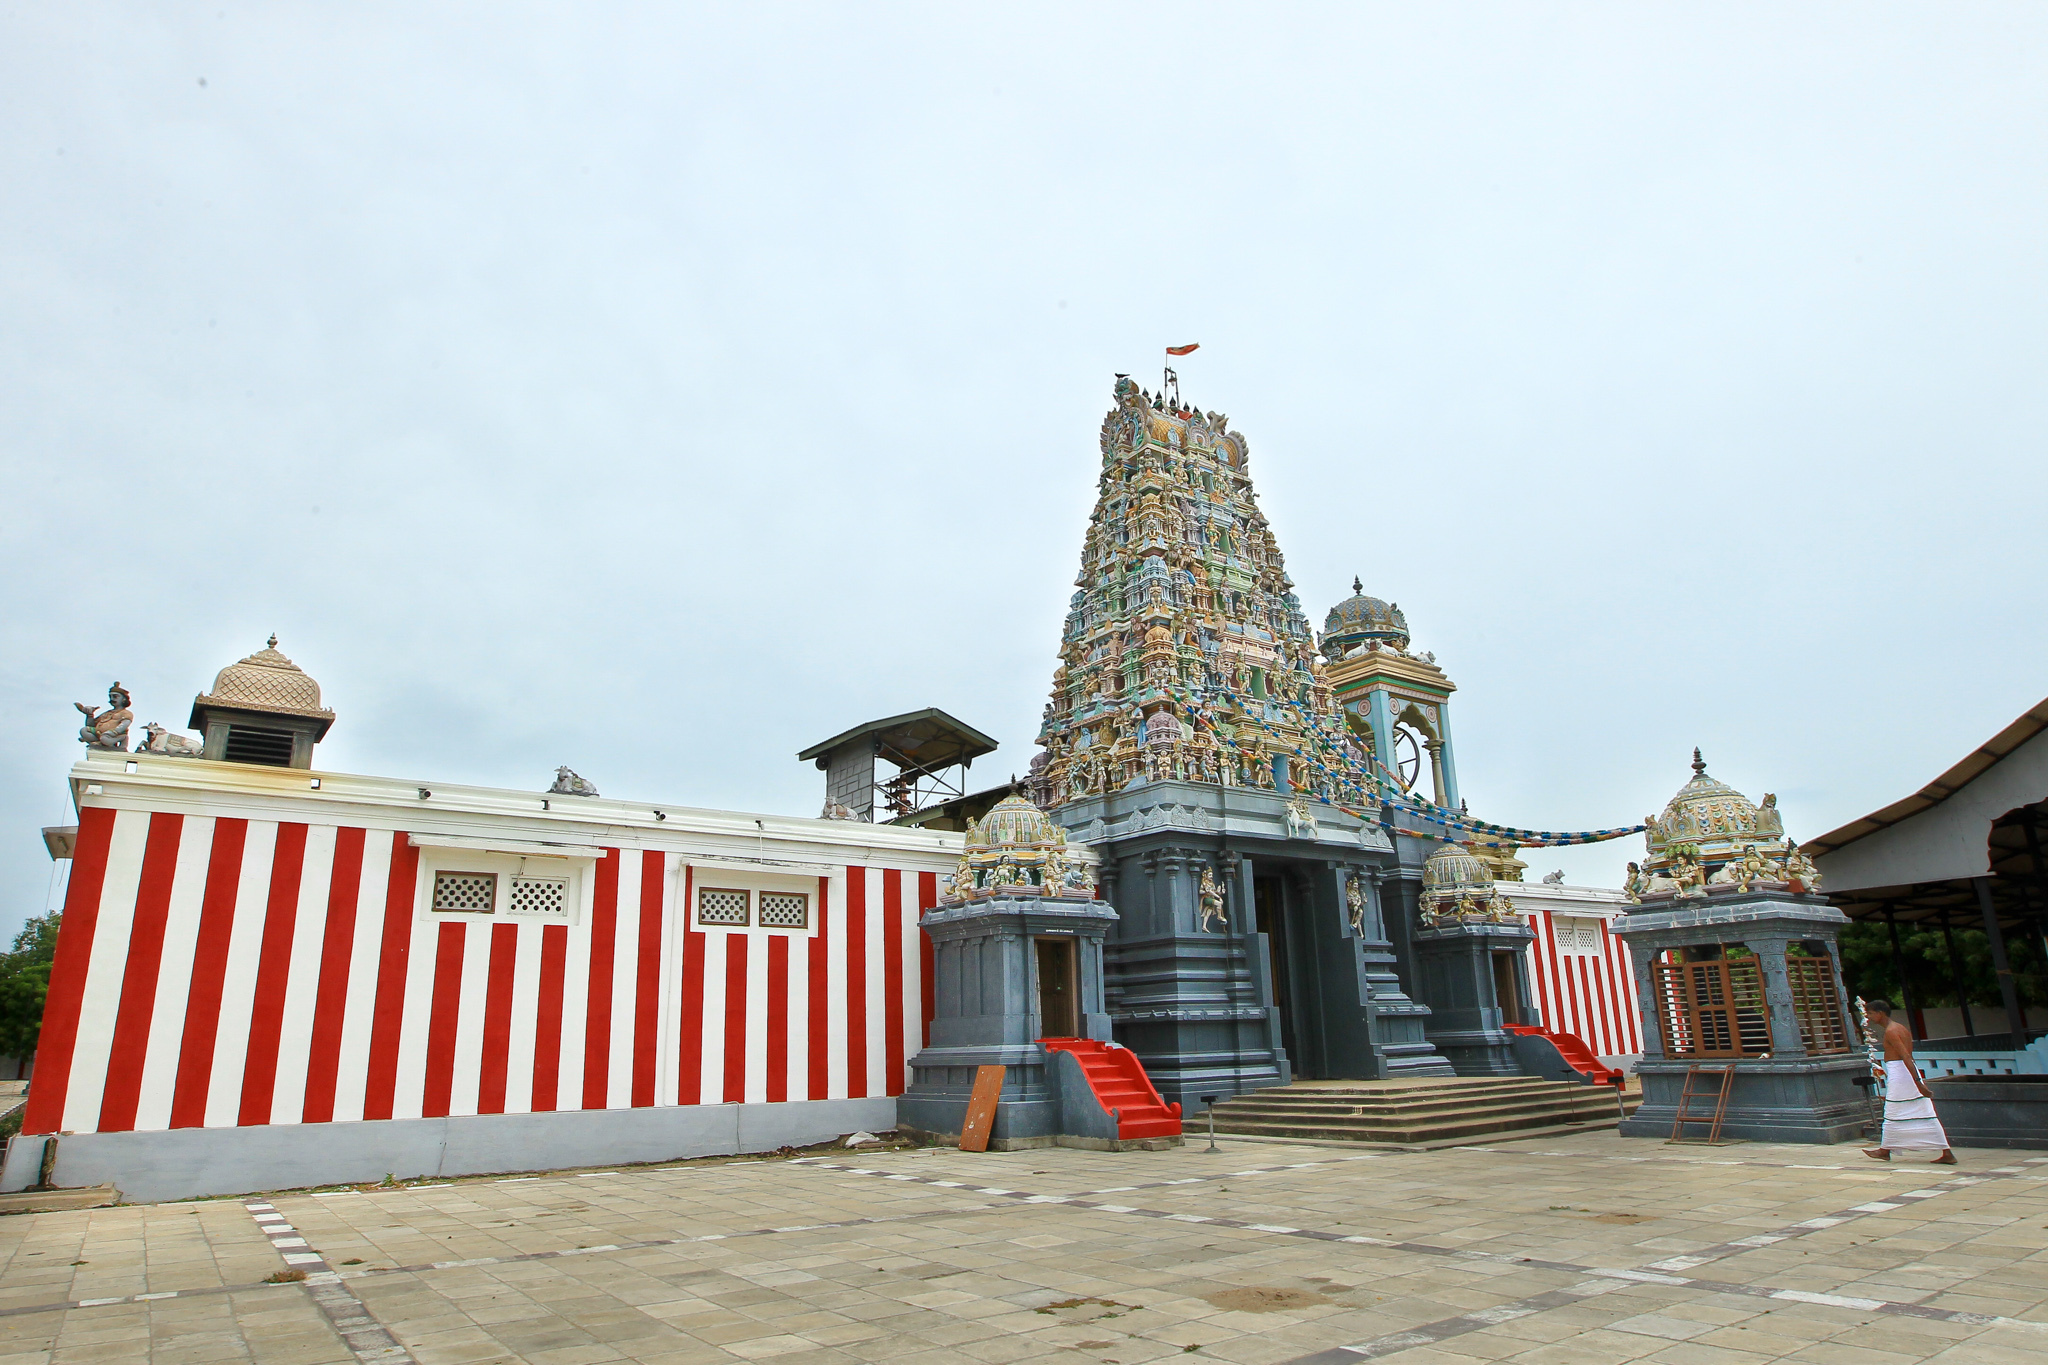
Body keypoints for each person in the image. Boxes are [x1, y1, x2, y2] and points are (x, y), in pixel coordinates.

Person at [1862, 998, 1955, 1164]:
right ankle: (1887, 1149)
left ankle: (1885, 1150)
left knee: (1893, 1111)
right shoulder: (1900, 1027)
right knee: (1920, 1112)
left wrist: (1919, 1083)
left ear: (1880, 1013)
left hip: (1901, 1074)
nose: (1868, 1017)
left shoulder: (1892, 1031)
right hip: (1902, 1072)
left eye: (1870, 1013)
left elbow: (1905, 1056)